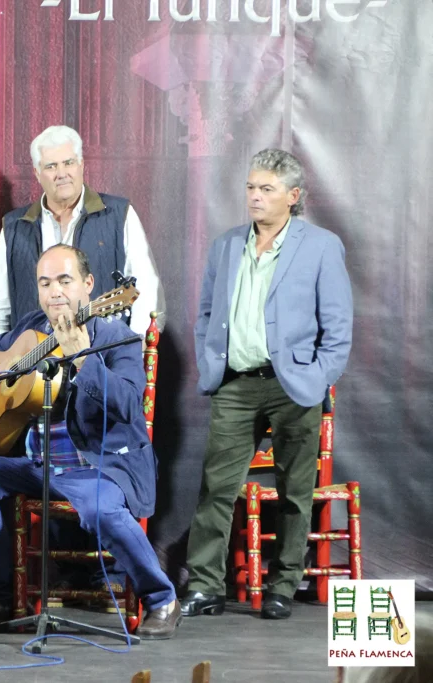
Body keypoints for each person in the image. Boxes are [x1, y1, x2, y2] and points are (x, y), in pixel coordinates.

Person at [0, 244, 180, 639]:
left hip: (100, 466)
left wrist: (84, 359)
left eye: (64, 280)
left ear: (89, 286)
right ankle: (6, 599)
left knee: (99, 508)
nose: (54, 291)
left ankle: (161, 599)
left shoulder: (117, 337)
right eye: (45, 282)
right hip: (40, 467)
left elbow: (127, 403)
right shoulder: (31, 328)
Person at [183, 149, 353, 621]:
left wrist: (317, 378)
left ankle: (283, 585)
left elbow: (337, 327)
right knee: (216, 488)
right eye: (251, 188)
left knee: (296, 491)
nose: (255, 197)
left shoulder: (320, 245)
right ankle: (204, 586)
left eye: (267, 190)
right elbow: (207, 316)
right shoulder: (226, 244)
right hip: (235, 384)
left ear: (293, 196)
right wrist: (209, 366)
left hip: (293, 384)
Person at [0, 124, 165, 342]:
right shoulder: (15, 226)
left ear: (81, 165)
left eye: (68, 163)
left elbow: (147, 288)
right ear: (37, 173)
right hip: (31, 366)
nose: (61, 174)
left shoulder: (119, 214)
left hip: (102, 357)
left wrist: (135, 348)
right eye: (51, 166)